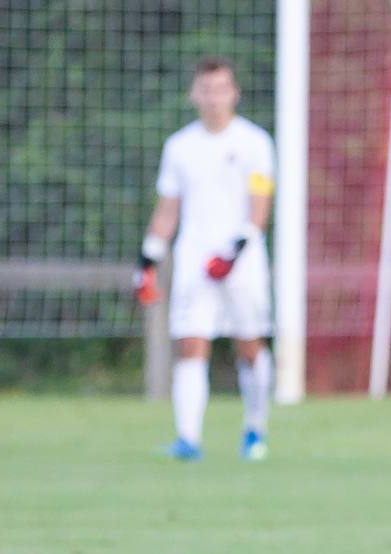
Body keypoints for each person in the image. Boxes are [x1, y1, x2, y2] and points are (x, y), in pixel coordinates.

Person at [136, 57, 276, 462]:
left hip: (241, 261)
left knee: (249, 346)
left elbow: (260, 203)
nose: (213, 98)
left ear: (234, 93)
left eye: (221, 89)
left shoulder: (255, 143)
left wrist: (237, 248)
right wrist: (148, 257)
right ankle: (188, 439)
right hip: (195, 260)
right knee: (191, 343)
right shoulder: (180, 146)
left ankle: (255, 428)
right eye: (206, 90)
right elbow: (168, 209)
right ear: (194, 94)